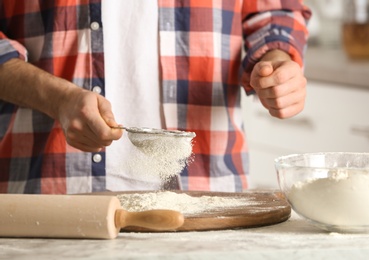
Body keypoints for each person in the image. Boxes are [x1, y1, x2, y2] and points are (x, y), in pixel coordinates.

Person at [0, 1, 311, 194]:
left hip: (207, 196)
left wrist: (278, 59)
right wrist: (56, 98)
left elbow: (276, 9)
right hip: (49, 194)